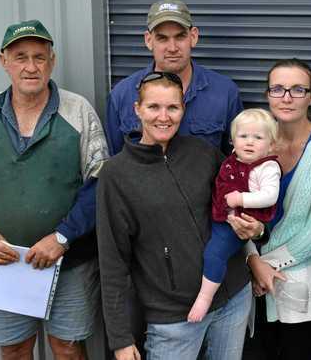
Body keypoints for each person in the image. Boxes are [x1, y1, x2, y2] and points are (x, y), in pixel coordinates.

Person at [0, 20, 108, 360]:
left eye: (39, 57)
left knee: (67, 348)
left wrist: (62, 237)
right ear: (4, 60)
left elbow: (99, 183)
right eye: (21, 57)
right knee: (15, 349)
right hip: (6, 264)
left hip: (70, 261)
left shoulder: (77, 111)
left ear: (52, 60)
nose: (31, 67)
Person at [97, 72, 262, 360]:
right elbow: (113, 261)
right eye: (153, 107)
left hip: (232, 297)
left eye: (172, 107)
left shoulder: (203, 153)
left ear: (183, 109)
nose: (164, 117)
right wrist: (120, 339)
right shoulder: (116, 175)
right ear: (137, 109)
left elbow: (245, 205)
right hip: (173, 317)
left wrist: (258, 229)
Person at [240, 59, 311, 360]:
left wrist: (265, 265)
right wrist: (252, 261)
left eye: (298, 89)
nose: (286, 97)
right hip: (253, 284)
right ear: (267, 94)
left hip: (299, 289)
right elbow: (232, 210)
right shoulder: (254, 138)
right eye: (278, 89)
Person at [105, 0, 243, 155]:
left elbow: (238, 162)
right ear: (149, 40)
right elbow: (115, 163)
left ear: (193, 36)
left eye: (180, 37)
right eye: (162, 38)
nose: (172, 48)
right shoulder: (122, 95)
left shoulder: (224, 93)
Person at [188, 108, 282, 322]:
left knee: (214, 254)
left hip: (239, 222)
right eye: (243, 136)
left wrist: (241, 199)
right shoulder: (233, 159)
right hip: (221, 214)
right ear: (232, 141)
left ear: (271, 145)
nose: (249, 142)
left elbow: (270, 196)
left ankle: (205, 297)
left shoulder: (267, 168)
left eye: (258, 137)